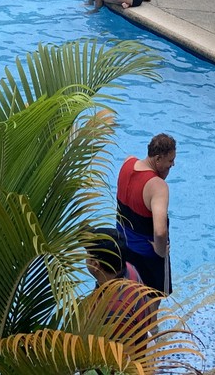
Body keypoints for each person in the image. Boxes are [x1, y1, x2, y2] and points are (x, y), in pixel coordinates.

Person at [114, 134, 175, 296]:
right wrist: (161, 252)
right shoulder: (157, 186)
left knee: (127, 298)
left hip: (123, 248)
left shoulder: (128, 162)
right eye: (170, 161)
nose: (172, 165)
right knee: (151, 303)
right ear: (158, 159)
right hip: (147, 258)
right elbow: (160, 232)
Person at [83, 229, 152, 358]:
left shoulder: (114, 310)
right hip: (142, 337)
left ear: (95, 264)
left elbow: (124, 361)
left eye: (87, 254)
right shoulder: (128, 269)